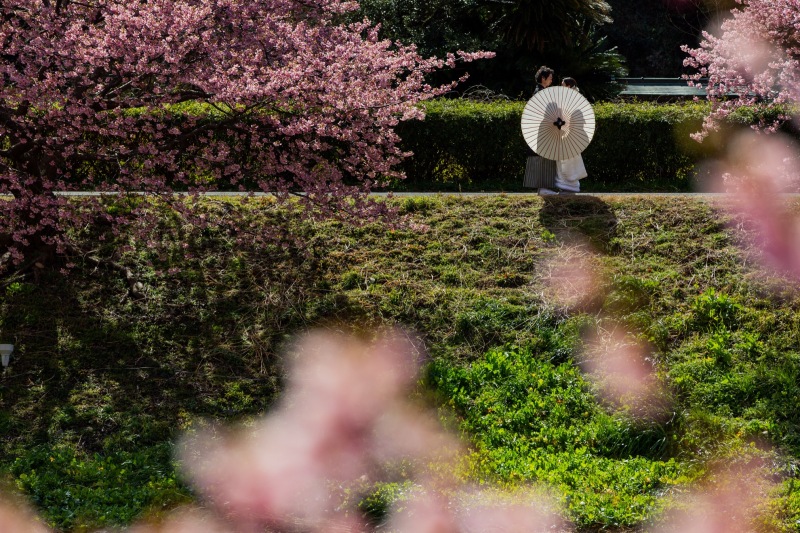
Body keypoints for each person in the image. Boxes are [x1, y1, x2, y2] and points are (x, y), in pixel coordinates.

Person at [553, 77, 588, 194]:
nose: (561, 86)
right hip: (570, 133)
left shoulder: (570, 99)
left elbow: (570, 117)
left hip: (570, 133)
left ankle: (568, 184)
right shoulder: (575, 98)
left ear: (567, 86)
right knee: (569, 159)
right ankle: (570, 184)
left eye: (562, 84)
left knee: (567, 159)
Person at [528, 66, 559, 195]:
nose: (551, 81)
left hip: (542, 129)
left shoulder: (540, 92)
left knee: (544, 156)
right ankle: (543, 188)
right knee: (543, 157)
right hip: (542, 130)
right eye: (550, 78)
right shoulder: (540, 93)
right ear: (543, 78)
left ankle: (543, 187)